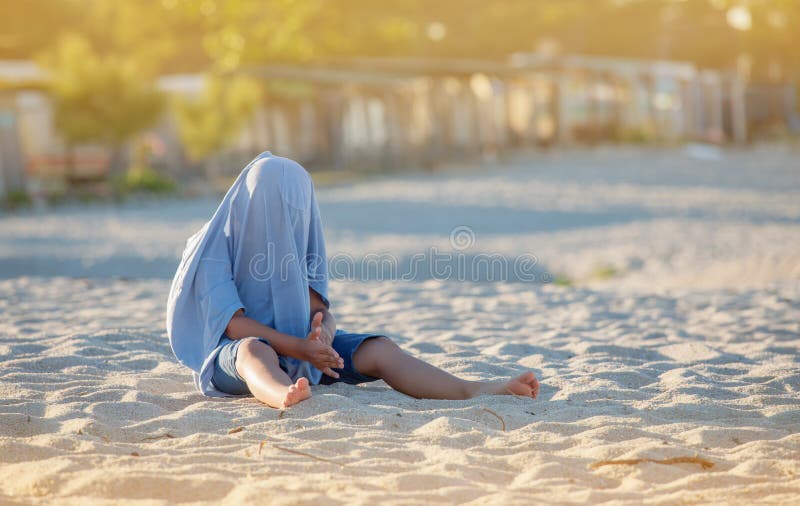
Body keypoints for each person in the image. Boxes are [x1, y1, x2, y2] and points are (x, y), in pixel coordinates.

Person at [166, 151, 539, 408]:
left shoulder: (300, 237)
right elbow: (234, 325)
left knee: (380, 349)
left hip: (303, 350)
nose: (289, 221)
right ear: (253, 201)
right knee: (254, 352)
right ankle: (282, 394)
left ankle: (473, 390)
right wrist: (298, 349)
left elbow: (318, 308)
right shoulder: (212, 246)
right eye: (278, 209)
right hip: (239, 355)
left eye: (296, 211)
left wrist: (323, 335)